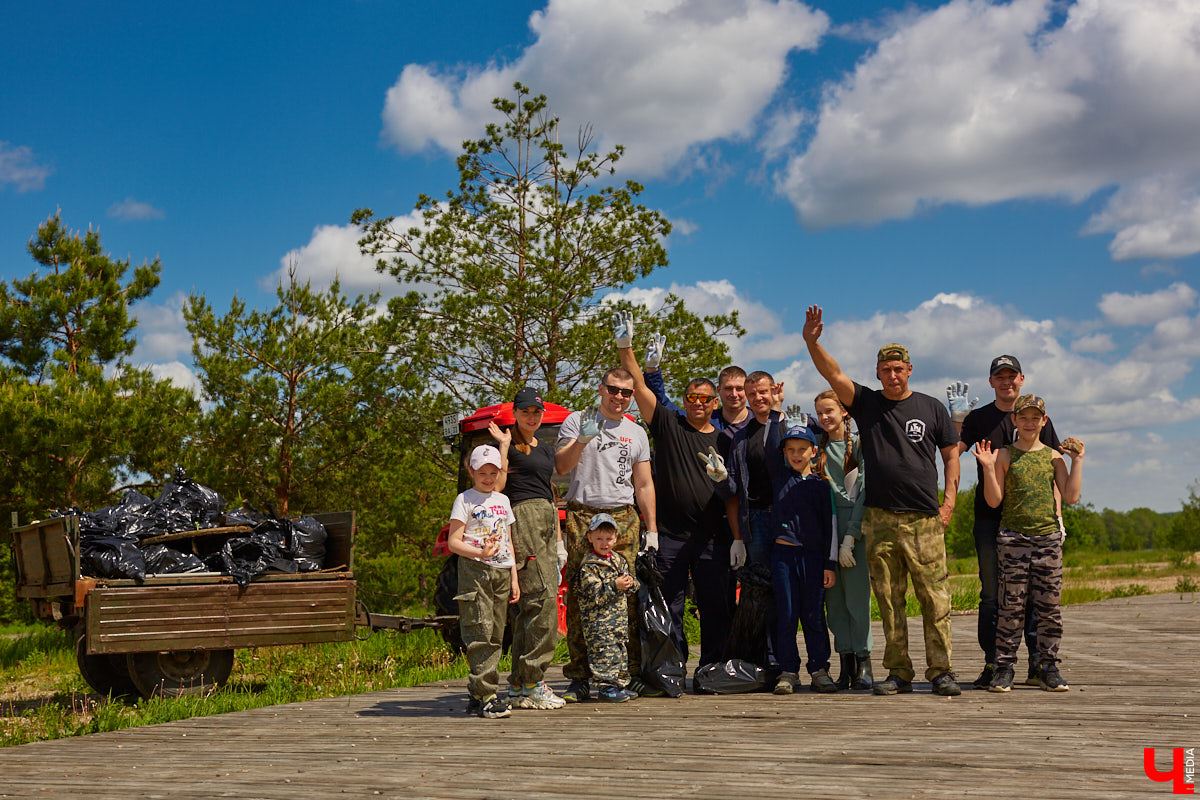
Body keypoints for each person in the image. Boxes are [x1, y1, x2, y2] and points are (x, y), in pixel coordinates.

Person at [803, 305, 963, 697]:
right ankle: (898, 672)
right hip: (878, 519)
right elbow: (833, 374)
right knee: (890, 601)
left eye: (899, 368)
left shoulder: (931, 408)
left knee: (935, 598)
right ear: (878, 373)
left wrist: (948, 505)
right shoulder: (867, 404)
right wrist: (811, 341)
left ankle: (941, 671)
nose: (893, 375)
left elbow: (951, 456)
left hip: (925, 518)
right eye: (886, 369)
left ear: (910, 370)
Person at [615, 311, 733, 678]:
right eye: (691, 397)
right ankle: (672, 667)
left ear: (715, 403)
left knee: (717, 607)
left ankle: (712, 668)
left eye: (704, 398)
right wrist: (625, 347)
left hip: (715, 539)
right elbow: (638, 384)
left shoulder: (727, 438)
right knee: (669, 606)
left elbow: (736, 492)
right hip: (669, 536)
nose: (697, 402)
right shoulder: (669, 423)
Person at [952, 355, 1064, 689]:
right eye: (1000, 377)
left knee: (1034, 596)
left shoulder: (1040, 419)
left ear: (1022, 379)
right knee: (992, 596)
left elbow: (1052, 471)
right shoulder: (979, 418)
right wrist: (956, 421)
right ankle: (994, 664)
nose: (1007, 382)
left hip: (1035, 522)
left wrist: (1057, 517)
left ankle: (1037, 664)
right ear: (991, 382)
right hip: (990, 517)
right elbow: (951, 454)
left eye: (1012, 377)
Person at [555, 364, 656, 702]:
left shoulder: (636, 431)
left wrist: (651, 528)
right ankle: (580, 675)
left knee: (625, 595)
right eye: (613, 389)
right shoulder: (576, 420)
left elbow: (643, 483)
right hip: (584, 515)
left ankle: (624, 674)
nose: (619, 397)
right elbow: (561, 467)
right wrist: (582, 440)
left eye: (627, 392)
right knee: (582, 596)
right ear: (601, 389)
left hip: (624, 517)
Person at [973, 396, 1084, 693]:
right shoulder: (1005, 455)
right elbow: (994, 500)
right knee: (1011, 607)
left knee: (1049, 608)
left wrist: (1078, 461)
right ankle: (1004, 668)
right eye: (1024, 417)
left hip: (1047, 539)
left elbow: (1071, 496)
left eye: (1035, 418)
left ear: (1044, 421)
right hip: (1013, 540)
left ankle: (1048, 666)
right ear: (1015, 420)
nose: (1029, 423)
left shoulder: (1053, 457)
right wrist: (987, 467)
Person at [492, 387, 567, 710]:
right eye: (526, 412)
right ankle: (534, 681)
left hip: (547, 520)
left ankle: (520, 684)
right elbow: (496, 487)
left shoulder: (545, 449)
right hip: (523, 519)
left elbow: (549, 490)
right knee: (542, 605)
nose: (532, 417)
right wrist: (504, 447)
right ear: (516, 414)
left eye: (537, 412)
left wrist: (560, 541)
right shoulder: (506, 446)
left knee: (531, 607)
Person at [763, 417, 838, 695]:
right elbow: (770, 448)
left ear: (814, 451)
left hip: (814, 559)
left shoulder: (821, 485)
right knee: (786, 615)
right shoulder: (779, 477)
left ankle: (819, 670)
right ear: (784, 453)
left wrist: (829, 564)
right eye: (790, 449)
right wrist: (775, 415)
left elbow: (831, 527)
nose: (796, 454)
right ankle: (788, 671)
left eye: (802, 449)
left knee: (814, 616)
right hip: (783, 556)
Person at [447, 444, 520, 719]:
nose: (488, 478)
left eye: (493, 472)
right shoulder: (464, 499)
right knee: (480, 630)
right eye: (482, 473)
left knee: (495, 634)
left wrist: (514, 576)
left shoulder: (503, 501)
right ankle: (489, 695)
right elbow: (454, 541)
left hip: (501, 571)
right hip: (475, 570)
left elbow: (508, 540)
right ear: (471, 471)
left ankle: (477, 692)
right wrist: (479, 552)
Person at [813, 389, 873, 690]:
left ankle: (864, 662)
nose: (825, 417)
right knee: (834, 604)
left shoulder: (860, 445)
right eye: (820, 413)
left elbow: (864, 491)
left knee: (857, 601)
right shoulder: (817, 448)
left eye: (830, 411)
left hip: (855, 532)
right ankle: (845, 662)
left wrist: (851, 536)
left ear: (844, 412)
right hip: (827, 535)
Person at [577, 513, 641, 702]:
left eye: (608, 539)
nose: (604, 543)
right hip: (599, 625)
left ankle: (619, 684)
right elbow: (594, 593)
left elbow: (632, 583)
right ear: (590, 538)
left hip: (618, 622)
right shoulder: (589, 566)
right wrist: (615, 585)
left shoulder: (619, 560)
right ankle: (606, 688)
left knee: (619, 653)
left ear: (616, 538)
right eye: (599, 539)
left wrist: (630, 583)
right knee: (603, 654)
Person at [643, 334, 750, 435]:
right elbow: (662, 403)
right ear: (719, 390)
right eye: (728, 388)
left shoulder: (760, 421)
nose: (734, 394)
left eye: (739, 388)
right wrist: (652, 369)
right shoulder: (703, 418)